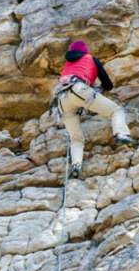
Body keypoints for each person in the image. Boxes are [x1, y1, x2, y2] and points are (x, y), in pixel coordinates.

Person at [54, 39, 134, 178]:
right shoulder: (90, 59)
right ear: (85, 50)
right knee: (116, 110)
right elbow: (108, 84)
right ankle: (121, 134)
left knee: (76, 138)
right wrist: (98, 88)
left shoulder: (67, 65)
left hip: (62, 100)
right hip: (80, 90)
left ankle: (76, 165)